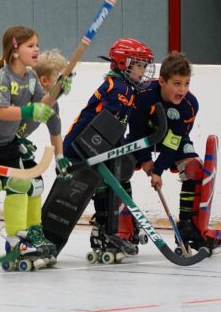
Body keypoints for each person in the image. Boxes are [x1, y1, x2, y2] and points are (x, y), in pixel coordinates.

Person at [0, 26, 57, 273]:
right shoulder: (1, 78)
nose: (37, 50)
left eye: (37, 45)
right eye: (30, 45)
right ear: (15, 51)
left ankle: (16, 240)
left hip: (7, 142)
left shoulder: (31, 77)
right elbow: (2, 112)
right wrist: (30, 110)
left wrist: (57, 90)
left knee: (20, 185)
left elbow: (43, 104)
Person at [62, 37, 155, 262]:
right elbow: (107, 126)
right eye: (139, 65)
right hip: (82, 148)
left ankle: (111, 229)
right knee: (105, 185)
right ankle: (104, 233)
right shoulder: (119, 88)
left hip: (93, 146)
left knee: (116, 180)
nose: (143, 71)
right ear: (124, 63)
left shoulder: (126, 86)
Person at [127, 51, 219, 252]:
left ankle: (188, 228)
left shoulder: (190, 105)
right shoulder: (142, 95)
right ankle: (124, 227)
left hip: (172, 141)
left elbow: (173, 143)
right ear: (162, 81)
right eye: (177, 83)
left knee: (194, 169)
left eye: (186, 83)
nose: (182, 89)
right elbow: (135, 131)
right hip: (142, 140)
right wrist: (145, 160)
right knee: (119, 166)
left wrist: (158, 170)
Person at [15, 49, 73, 263]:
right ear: (44, 81)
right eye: (60, 79)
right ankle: (18, 236)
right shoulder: (26, 96)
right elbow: (2, 120)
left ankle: (34, 231)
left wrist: (59, 157)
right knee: (21, 186)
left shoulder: (53, 105)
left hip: (16, 145)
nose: (65, 84)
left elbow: (55, 133)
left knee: (36, 183)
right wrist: (15, 141)